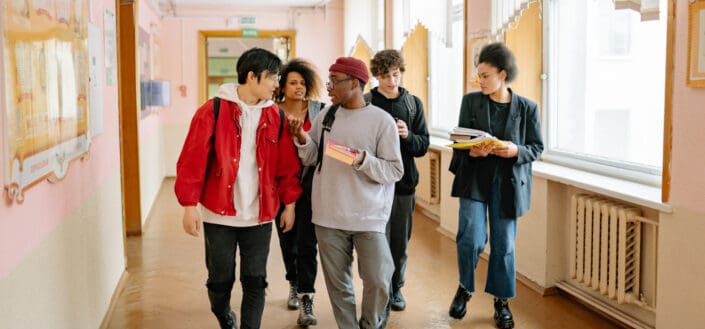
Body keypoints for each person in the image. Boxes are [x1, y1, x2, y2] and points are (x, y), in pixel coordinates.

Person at [174, 47, 302, 329]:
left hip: (259, 214)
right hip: (219, 213)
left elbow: (286, 165)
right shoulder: (213, 110)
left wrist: (289, 204)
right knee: (220, 280)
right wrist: (188, 205)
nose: (276, 84)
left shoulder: (276, 116)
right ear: (252, 76)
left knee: (255, 280)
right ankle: (223, 316)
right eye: (272, 78)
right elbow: (192, 160)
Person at [288, 57, 403, 329]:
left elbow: (395, 171)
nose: (328, 87)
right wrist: (303, 139)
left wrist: (363, 160)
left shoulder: (381, 121)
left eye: (334, 81)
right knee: (339, 286)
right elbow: (312, 157)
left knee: (378, 279)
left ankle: (370, 324)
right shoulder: (327, 115)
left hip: (369, 217)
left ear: (354, 83)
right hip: (328, 216)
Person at [447, 42, 543, 329]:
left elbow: (536, 147)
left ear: (503, 74)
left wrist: (515, 151)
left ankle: (501, 301)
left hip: (508, 184)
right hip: (475, 179)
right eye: (479, 76)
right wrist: (470, 150)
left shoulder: (527, 108)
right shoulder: (471, 102)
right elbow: (459, 139)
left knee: (504, 245)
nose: (481, 81)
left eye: (486, 75)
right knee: (471, 238)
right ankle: (465, 286)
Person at [367, 49, 429, 311]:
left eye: (396, 74)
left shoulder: (413, 103)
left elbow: (423, 145)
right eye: (385, 76)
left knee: (399, 242)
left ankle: (396, 288)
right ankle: (379, 289)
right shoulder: (367, 101)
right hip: (372, 185)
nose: (392, 81)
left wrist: (407, 135)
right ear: (376, 76)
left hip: (403, 185)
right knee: (374, 240)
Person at [273, 58, 325, 326]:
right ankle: (293, 282)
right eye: (293, 83)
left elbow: (323, 150)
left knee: (307, 244)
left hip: (312, 188)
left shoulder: (319, 111)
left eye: (303, 83)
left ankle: (306, 296)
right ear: (281, 86)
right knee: (287, 241)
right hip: (281, 188)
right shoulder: (272, 112)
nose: (299, 88)